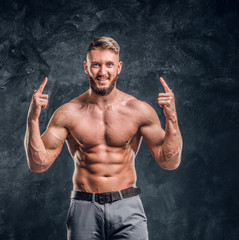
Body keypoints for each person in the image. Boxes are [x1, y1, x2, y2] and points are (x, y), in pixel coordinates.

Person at [24, 36, 183, 240]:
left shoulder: (139, 110)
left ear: (119, 67)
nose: (102, 72)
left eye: (109, 64)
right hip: (84, 207)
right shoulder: (68, 113)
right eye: (96, 65)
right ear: (86, 67)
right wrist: (32, 119)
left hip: (127, 207)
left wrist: (172, 118)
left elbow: (169, 162)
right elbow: (38, 165)